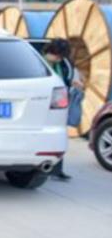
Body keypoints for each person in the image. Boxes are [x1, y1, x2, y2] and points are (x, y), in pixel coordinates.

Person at [43, 38, 83, 180]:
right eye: (57, 55)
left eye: (61, 56)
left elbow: (67, 79)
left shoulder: (64, 64)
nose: (59, 58)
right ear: (50, 52)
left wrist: (73, 83)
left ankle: (57, 169)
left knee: (58, 136)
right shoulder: (40, 63)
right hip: (43, 105)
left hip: (59, 105)